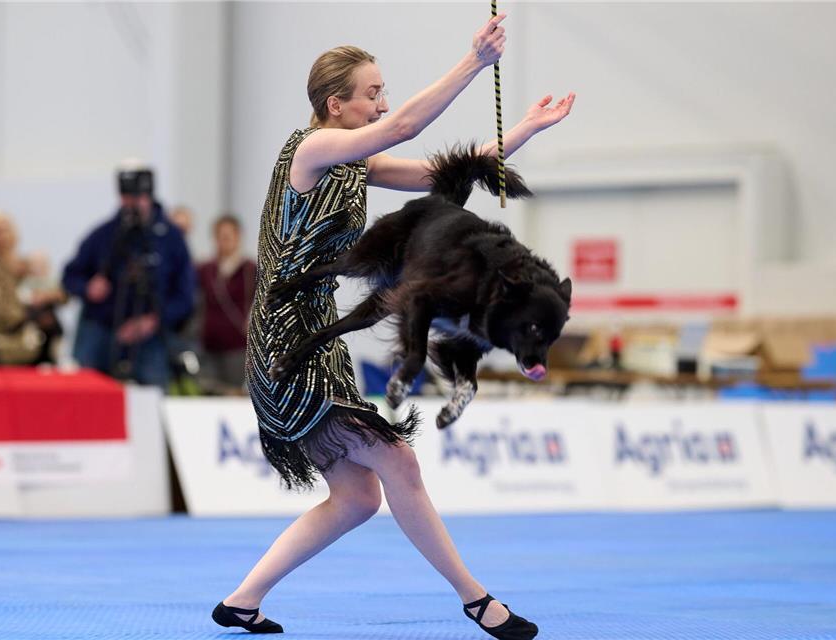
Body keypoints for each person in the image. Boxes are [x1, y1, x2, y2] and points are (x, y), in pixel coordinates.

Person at [214, 14, 575, 639]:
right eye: (372, 92)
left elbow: (448, 173)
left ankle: (242, 602)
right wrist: (474, 61)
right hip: (285, 344)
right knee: (399, 463)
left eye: (383, 90)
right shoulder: (312, 148)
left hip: (315, 333)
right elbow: (405, 124)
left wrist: (524, 129)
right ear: (337, 105)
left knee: (358, 498)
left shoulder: (356, 163)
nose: (382, 101)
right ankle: (477, 601)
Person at [61, 165, 195, 389]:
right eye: (127, 197)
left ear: (149, 197)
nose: (132, 204)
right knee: (88, 391)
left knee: (151, 394)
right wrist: (87, 288)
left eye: (138, 196)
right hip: (102, 330)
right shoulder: (103, 235)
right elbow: (69, 276)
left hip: (149, 336)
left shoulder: (171, 238)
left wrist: (152, 321)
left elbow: (186, 297)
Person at [0, 212, 66, 365]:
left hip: (43, 345)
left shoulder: (30, 264)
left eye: (5, 230)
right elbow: (0, 309)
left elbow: (61, 293)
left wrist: (46, 297)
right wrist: (31, 314)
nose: (2, 237)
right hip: (11, 347)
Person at [196, 214, 257, 394]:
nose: (224, 242)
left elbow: (265, 301)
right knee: (209, 392)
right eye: (220, 237)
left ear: (238, 237)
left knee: (234, 393)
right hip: (209, 343)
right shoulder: (205, 269)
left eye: (228, 237)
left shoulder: (250, 269)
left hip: (237, 344)